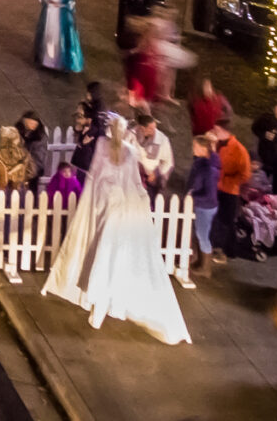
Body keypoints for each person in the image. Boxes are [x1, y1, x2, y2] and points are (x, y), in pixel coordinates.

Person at [41, 116, 190, 344]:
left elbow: (95, 176)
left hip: (106, 207)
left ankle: (99, 306)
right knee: (112, 259)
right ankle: (106, 305)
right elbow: (134, 181)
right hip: (120, 209)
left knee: (102, 256)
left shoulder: (104, 146)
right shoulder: (129, 151)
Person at [209, 124, 251, 264]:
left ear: (224, 131)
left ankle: (225, 250)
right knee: (217, 218)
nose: (214, 132)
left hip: (229, 190)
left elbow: (245, 174)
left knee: (226, 220)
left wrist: (229, 180)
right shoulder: (217, 145)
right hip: (218, 187)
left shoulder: (239, 149)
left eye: (217, 130)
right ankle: (217, 246)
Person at [32, 0, 83, 73]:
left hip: (60, 16)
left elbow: (71, 3)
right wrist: (46, 0)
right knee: (48, 37)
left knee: (58, 38)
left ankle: (58, 63)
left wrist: (60, 5)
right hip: (49, 14)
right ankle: (47, 61)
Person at [185, 135, 219, 274]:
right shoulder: (203, 164)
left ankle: (205, 268)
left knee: (203, 235)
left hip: (206, 206)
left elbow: (209, 194)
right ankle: (200, 262)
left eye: (195, 146)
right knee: (200, 234)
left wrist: (193, 196)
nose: (193, 149)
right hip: (202, 205)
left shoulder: (209, 169)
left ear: (203, 148)